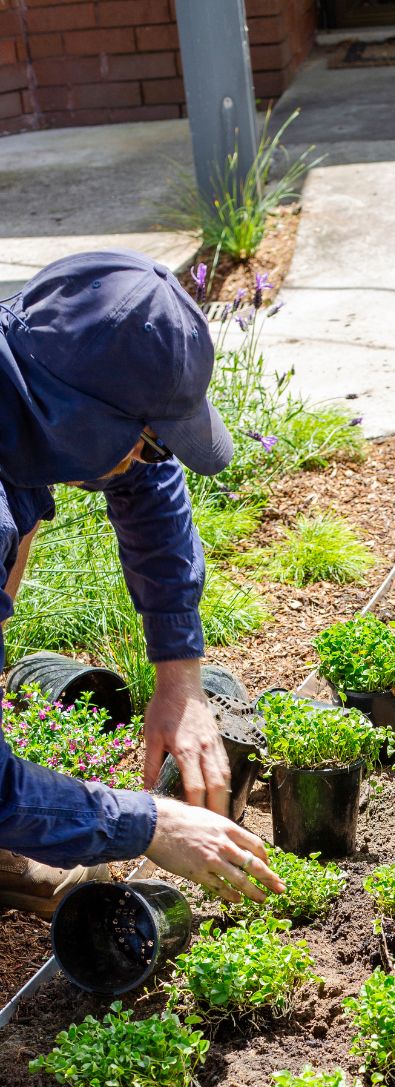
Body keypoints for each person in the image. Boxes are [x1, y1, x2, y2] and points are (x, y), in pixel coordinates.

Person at [0, 250, 283, 914]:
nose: (153, 460)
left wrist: (180, 678)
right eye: (152, 440)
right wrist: (149, 823)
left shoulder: (36, 377)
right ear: (83, 420)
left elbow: (143, 475)